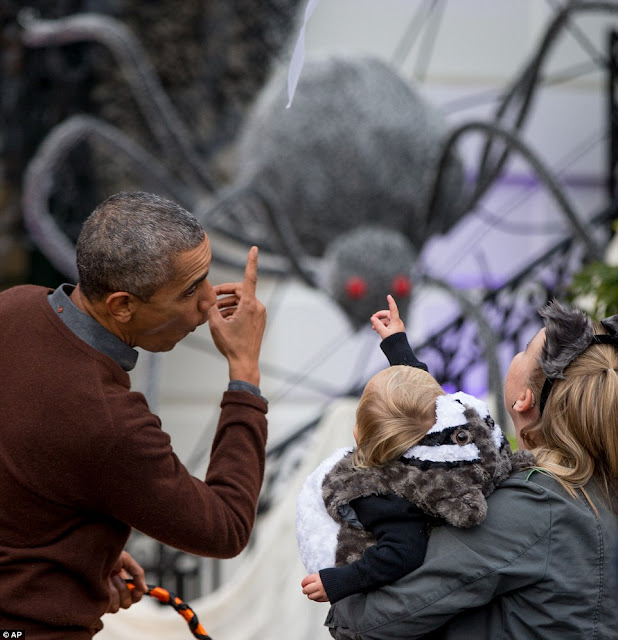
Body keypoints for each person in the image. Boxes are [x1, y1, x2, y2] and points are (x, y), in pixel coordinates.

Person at [0, 191, 268, 639]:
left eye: (207, 278)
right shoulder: (108, 424)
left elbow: (29, 475)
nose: (208, 302)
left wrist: (83, 552)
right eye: (189, 290)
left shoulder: (14, 306)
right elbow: (226, 526)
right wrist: (245, 372)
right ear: (121, 305)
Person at [325, 295, 618, 639]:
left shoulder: (533, 506)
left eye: (524, 349)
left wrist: (342, 587)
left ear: (523, 398)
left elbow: (375, 619)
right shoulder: (596, 489)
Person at [298, 296, 530, 606]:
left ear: (364, 442)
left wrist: (341, 581)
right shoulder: (446, 440)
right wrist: (397, 344)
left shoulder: (381, 495)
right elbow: (426, 401)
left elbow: (402, 552)